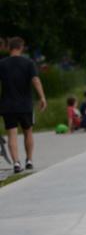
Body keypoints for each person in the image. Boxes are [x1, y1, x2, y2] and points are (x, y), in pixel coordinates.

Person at [0, 37, 47, 173]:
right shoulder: (28, 63)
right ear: (21, 47)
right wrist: (42, 97)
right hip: (25, 105)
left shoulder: (1, 64)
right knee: (28, 132)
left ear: (9, 48)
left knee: (12, 134)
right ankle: (29, 160)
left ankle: (16, 163)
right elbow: (36, 80)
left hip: (7, 105)